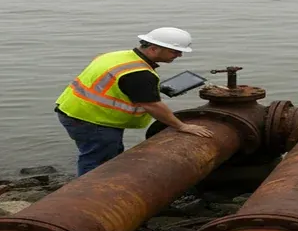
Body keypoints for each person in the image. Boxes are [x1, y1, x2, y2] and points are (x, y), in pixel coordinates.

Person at [55, 27, 215, 176]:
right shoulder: (139, 74)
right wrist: (182, 126)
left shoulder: (117, 56)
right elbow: (152, 106)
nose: (179, 55)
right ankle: (87, 196)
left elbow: (118, 85)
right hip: (92, 120)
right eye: (175, 51)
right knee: (98, 162)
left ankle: (105, 186)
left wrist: (152, 90)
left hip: (75, 110)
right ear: (154, 48)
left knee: (109, 154)